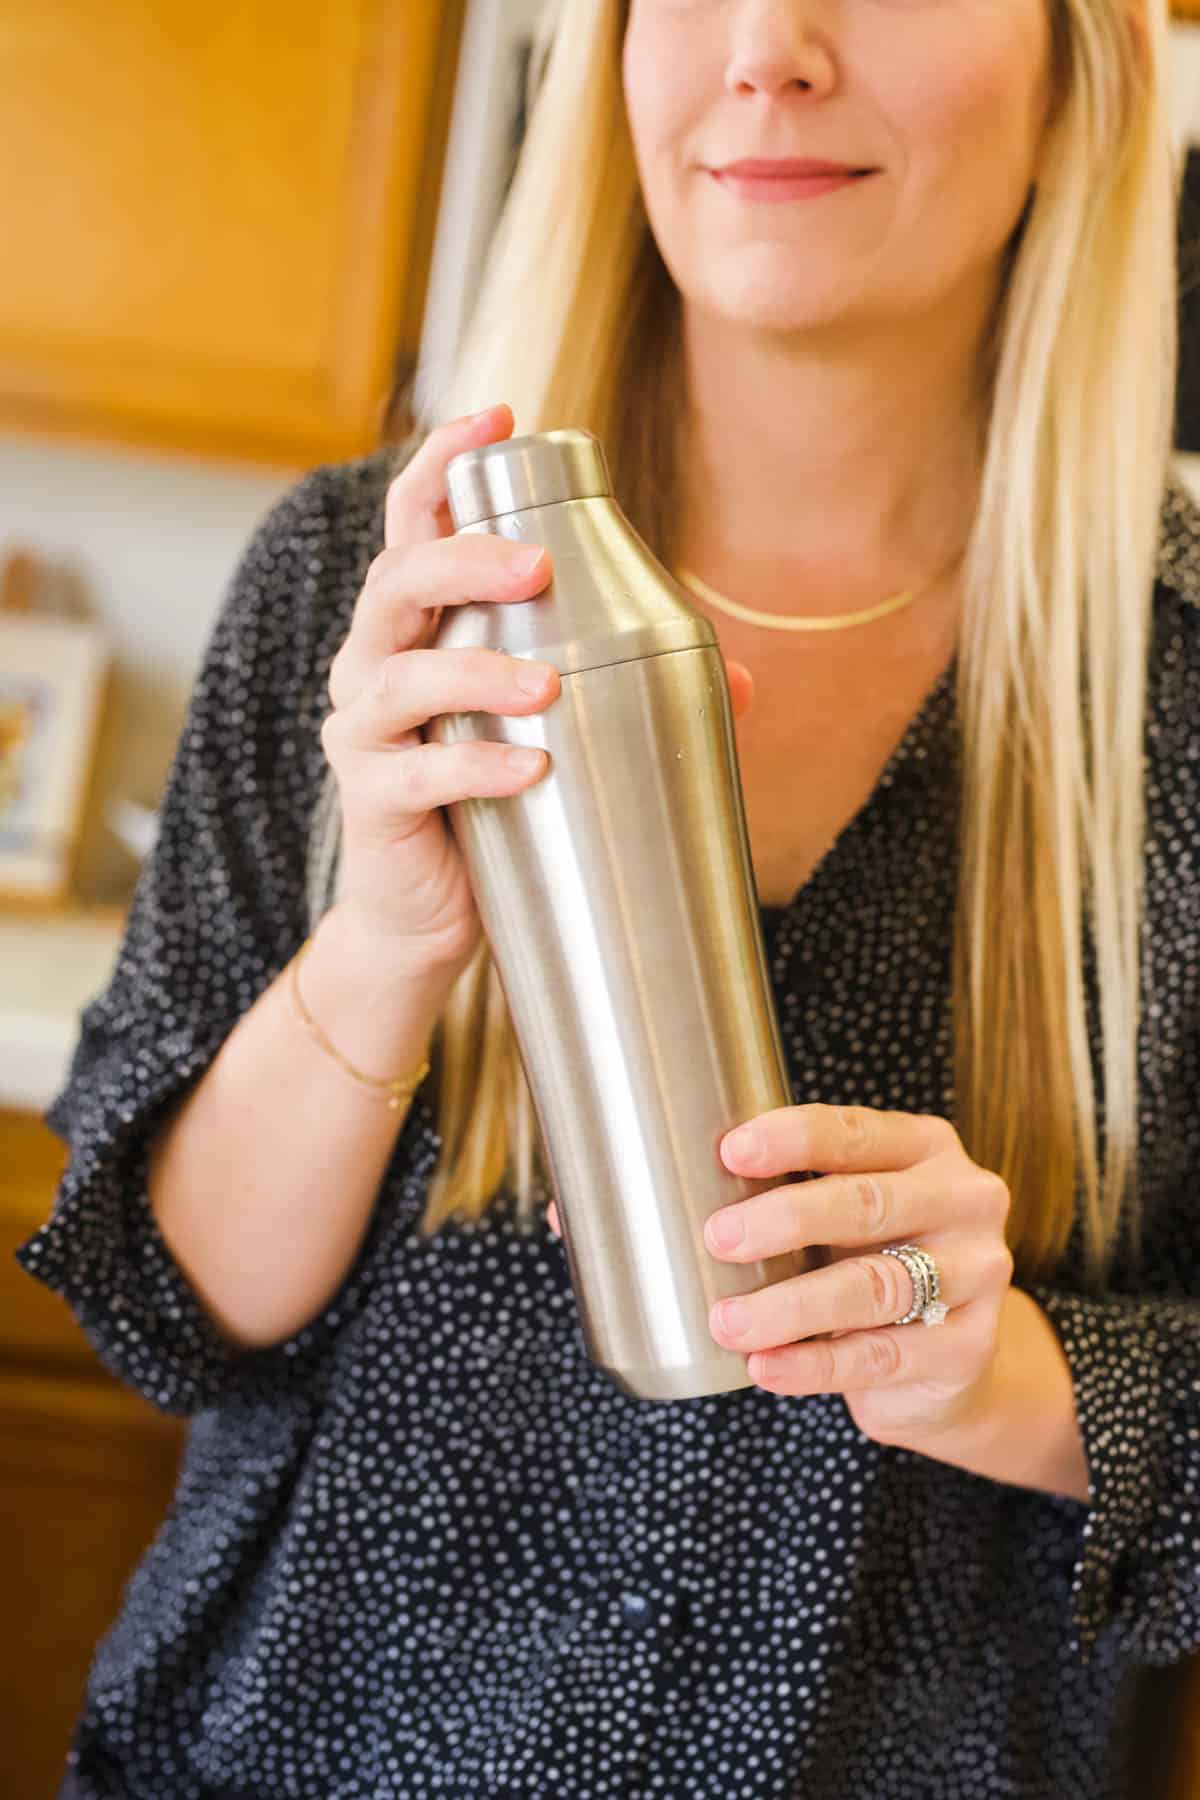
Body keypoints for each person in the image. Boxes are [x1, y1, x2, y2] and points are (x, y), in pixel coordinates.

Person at [16, 0, 1198, 1794]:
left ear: (1077, 69)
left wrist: (1004, 1371)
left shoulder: (1178, 692)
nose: (769, 46)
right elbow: (166, 1305)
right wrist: (384, 951)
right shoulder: (370, 588)